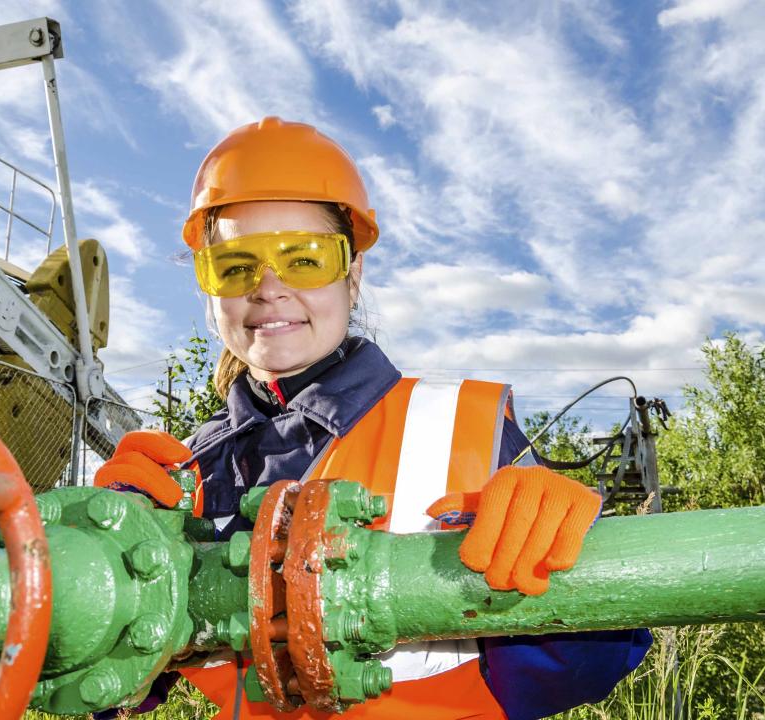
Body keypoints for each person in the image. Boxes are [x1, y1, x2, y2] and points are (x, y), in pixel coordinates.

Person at [96, 117, 651, 719]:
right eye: (235, 265)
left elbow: (577, 674)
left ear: (353, 275)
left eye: (303, 259)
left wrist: (572, 567)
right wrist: (103, 561)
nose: (269, 287)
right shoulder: (188, 473)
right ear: (209, 287)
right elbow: (115, 690)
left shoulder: (460, 427)